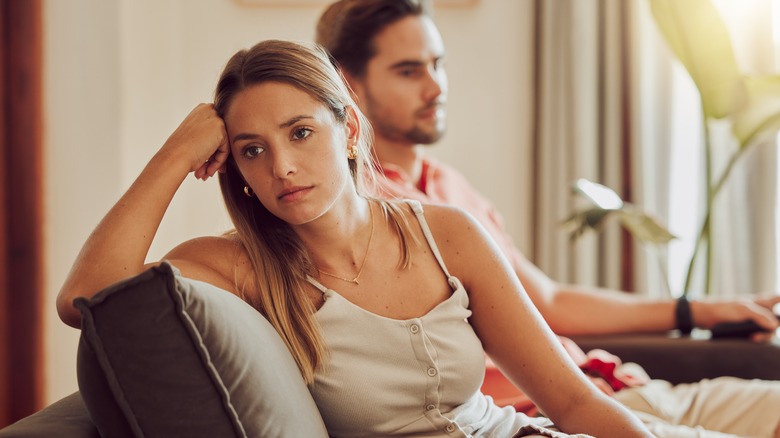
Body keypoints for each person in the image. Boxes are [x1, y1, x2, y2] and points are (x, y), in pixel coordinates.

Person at [56, 40, 653, 437]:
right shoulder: (236, 267)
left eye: (301, 132)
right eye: (252, 150)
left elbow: (573, 403)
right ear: (230, 166)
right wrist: (173, 155)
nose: (282, 167)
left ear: (349, 130)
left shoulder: (445, 232)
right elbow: (85, 299)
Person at [315, 1, 780, 437]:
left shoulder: (448, 186)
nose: (436, 86)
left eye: (438, 64)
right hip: (547, 411)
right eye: (409, 71)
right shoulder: (360, 215)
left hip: (615, 387)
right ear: (346, 83)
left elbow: (547, 299)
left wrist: (695, 309)